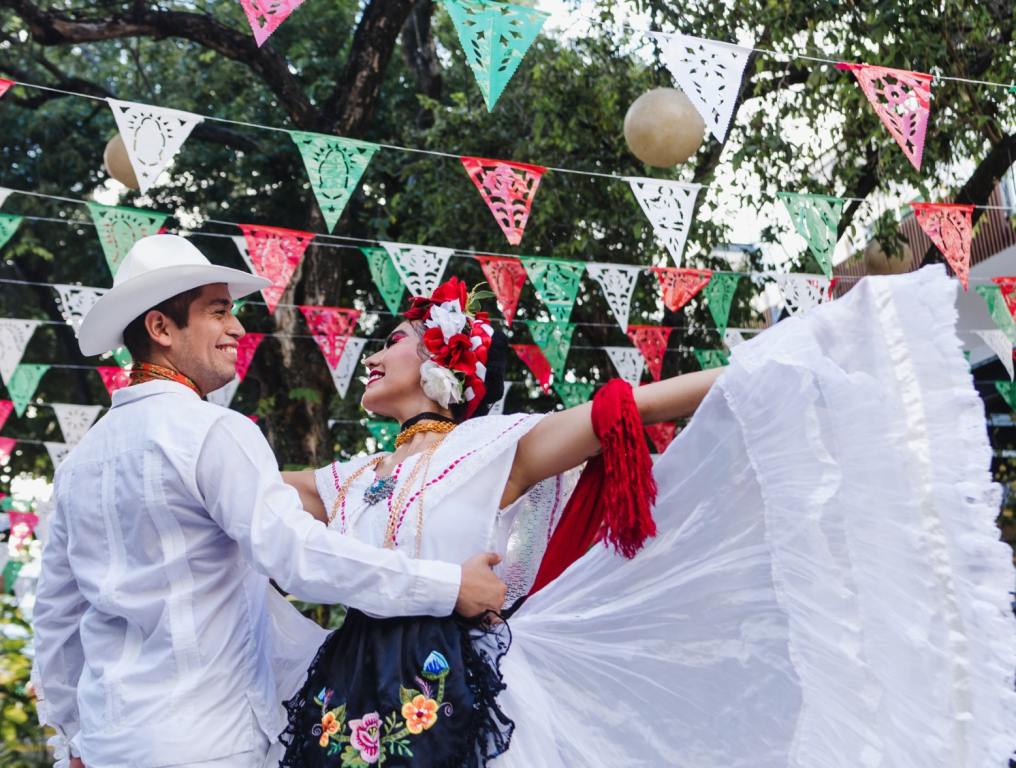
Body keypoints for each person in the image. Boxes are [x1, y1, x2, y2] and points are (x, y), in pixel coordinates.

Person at [280, 268, 1016, 767]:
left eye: (392, 343)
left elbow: (630, 409)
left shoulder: (492, 448)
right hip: (351, 688)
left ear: (442, 362)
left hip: (462, 687)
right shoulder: (351, 478)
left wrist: (767, 373)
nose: (372, 356)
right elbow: (237, 484)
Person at [31, 235, 508, 768]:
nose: (237, 328)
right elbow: (298, 556)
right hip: (208, 743)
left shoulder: (80, 462)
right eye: (217, 312)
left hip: (106, 746)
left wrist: (70, 741)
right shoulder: (212, 431)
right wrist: (449, 585)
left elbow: (56, 620)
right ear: (160, 329)